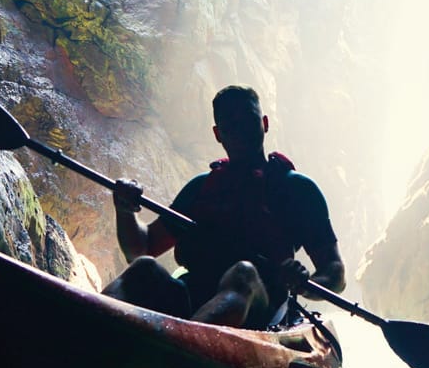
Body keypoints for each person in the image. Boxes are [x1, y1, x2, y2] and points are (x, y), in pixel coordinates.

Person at [103, 85, 345, 328]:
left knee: (242, 274)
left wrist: (304, 285)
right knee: (144, 268)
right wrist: (125, 210)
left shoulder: (297, 189)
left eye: (248, 120)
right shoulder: (201, 188)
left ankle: (185, 342)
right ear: (218, 134)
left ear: (264, 123)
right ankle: (89, 324)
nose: (240, 131)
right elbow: (140, 250)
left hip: (262, 307)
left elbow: (334, 271)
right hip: (193, 297)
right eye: (230, 124)